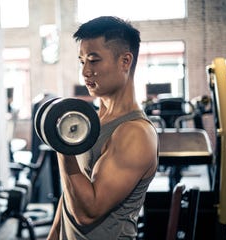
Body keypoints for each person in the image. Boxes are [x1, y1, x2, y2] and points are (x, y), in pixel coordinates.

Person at [47, 16, 158, 240]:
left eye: (94, 60)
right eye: (82, 61)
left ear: (125, 61)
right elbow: (72, 188)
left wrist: (62, 146)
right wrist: (53, 235)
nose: (85, 71)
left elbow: (88, 212)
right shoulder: (94, 119)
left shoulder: (135, 133)